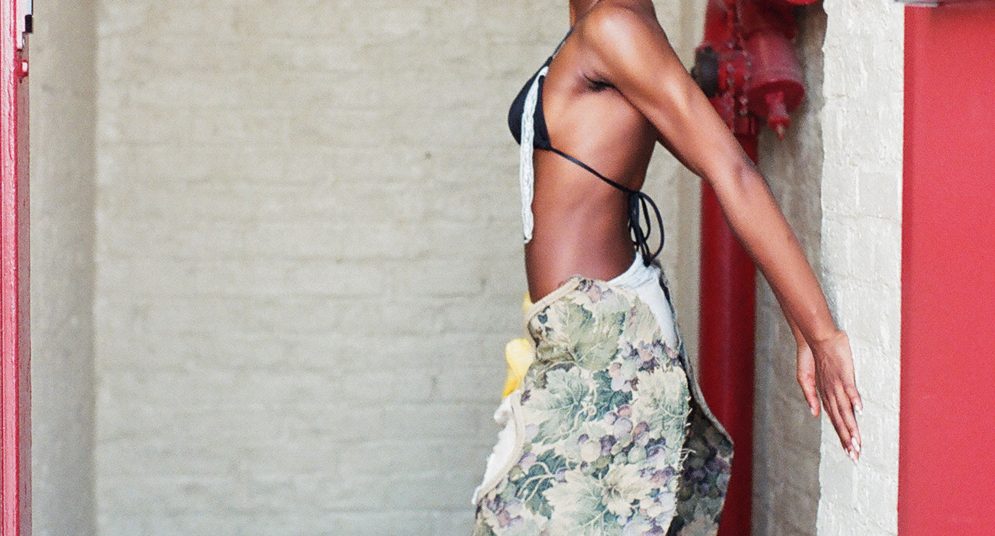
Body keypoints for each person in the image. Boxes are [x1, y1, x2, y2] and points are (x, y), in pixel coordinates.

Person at [471, 1, 863, 534]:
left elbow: (731, 170)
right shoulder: (596, 20)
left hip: (609, 341)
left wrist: (819, 333)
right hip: (578, 335)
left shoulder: (615, 26)